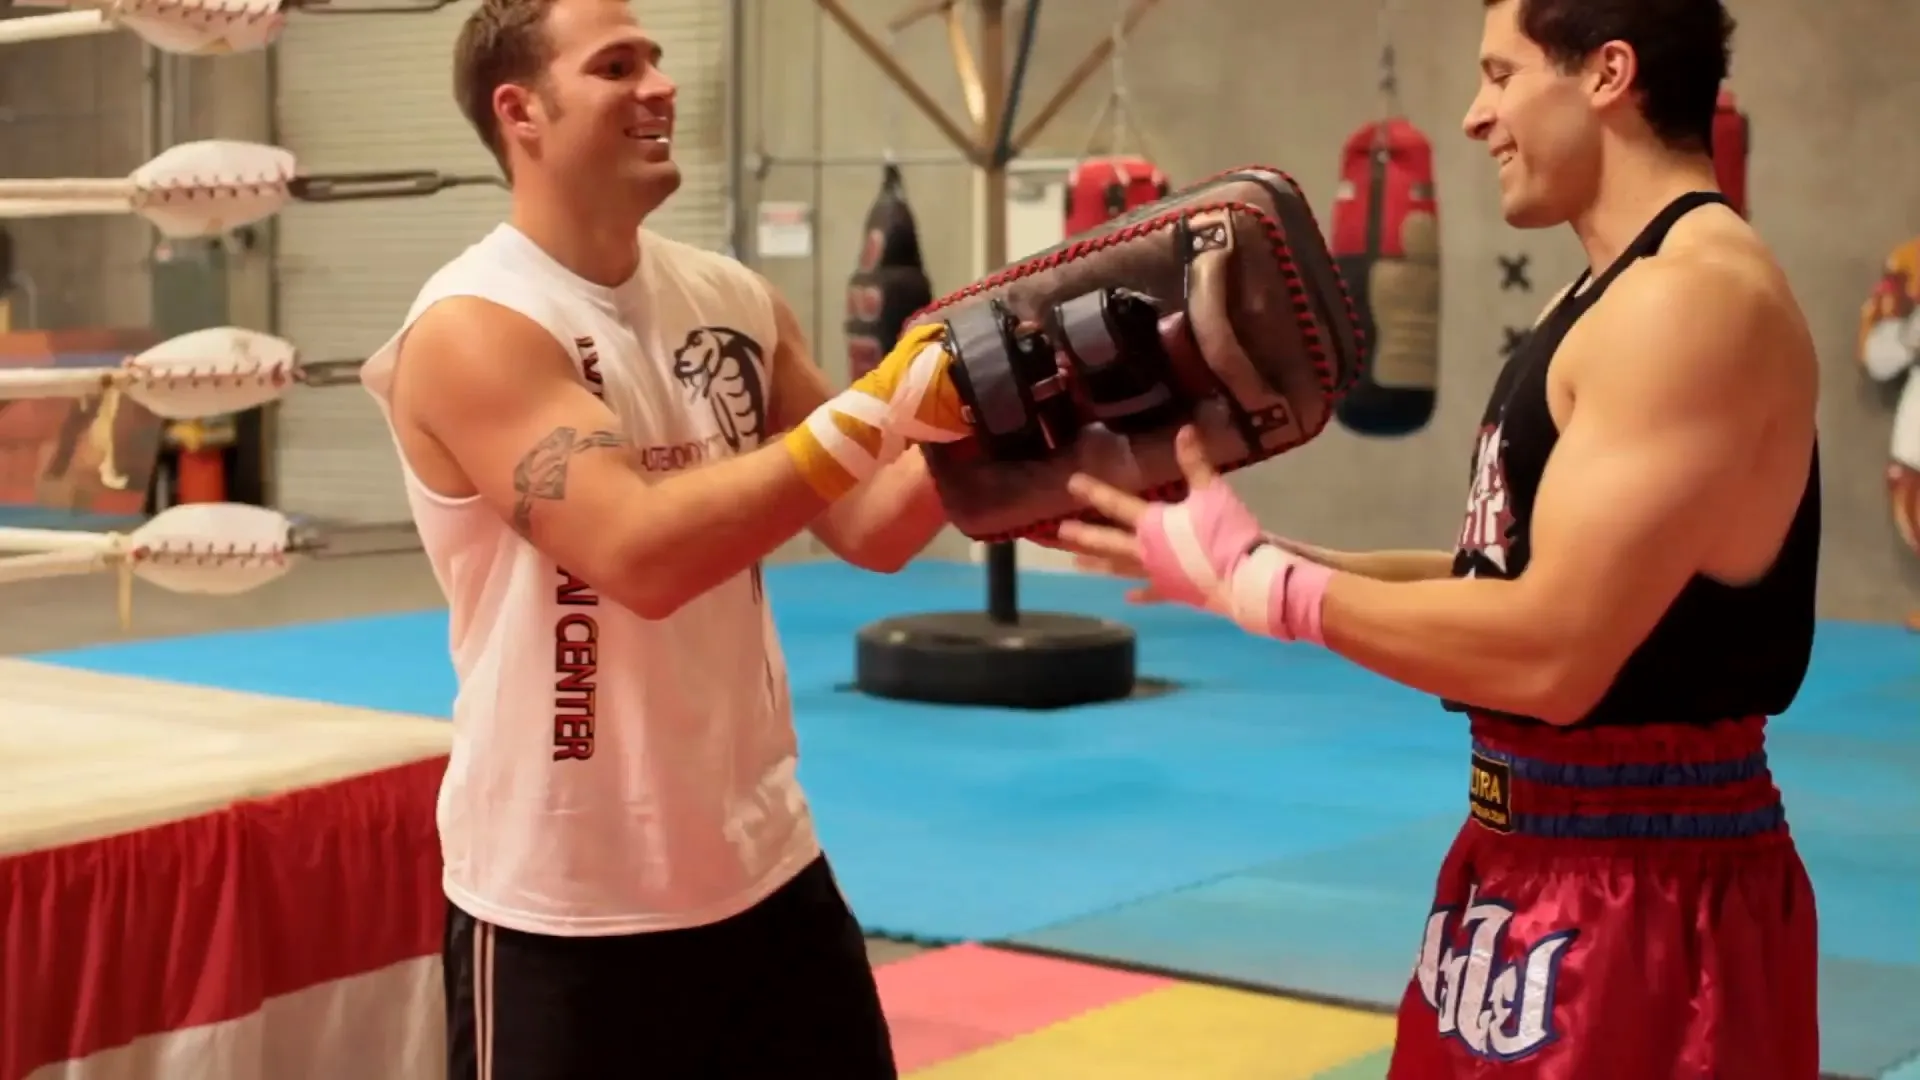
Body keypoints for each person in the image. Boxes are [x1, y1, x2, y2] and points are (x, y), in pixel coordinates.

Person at [1056, 1, 1823, 1077]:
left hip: (1647, 891)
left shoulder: (1691, 304)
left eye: (1502, 75)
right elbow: (1501, 577)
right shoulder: (1600, 297)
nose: (1473, 115)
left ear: (1607, 74)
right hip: (1523, 863)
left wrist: (1270, 589)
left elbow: (1553, 656)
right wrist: (1250, 561)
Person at [355, 0, 968, 1075]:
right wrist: (887, 407)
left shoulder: (731, 298)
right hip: (563, 904)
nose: (660, 85)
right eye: (616, 66)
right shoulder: (472, 327)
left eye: (656, 58)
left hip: (766, 867)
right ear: (521, 111)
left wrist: (1016, 424)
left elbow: (870, 522)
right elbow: (638, 554)